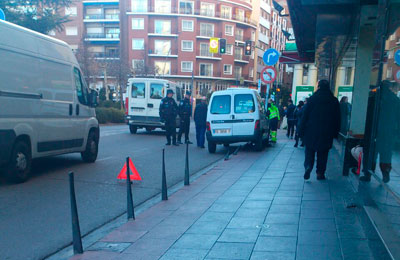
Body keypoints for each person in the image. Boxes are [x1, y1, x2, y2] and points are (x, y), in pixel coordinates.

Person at [298, 80, 340, 180]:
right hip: (327, 131)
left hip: (311, 130)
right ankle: (320, 173)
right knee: (323, 153)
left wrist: (301, 130)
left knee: (309, 150)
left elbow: (305, 115)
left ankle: (308, 166)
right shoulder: (333, 100)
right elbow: (337, 118)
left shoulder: (312, 99)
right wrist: (336, 132)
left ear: (319, 87)